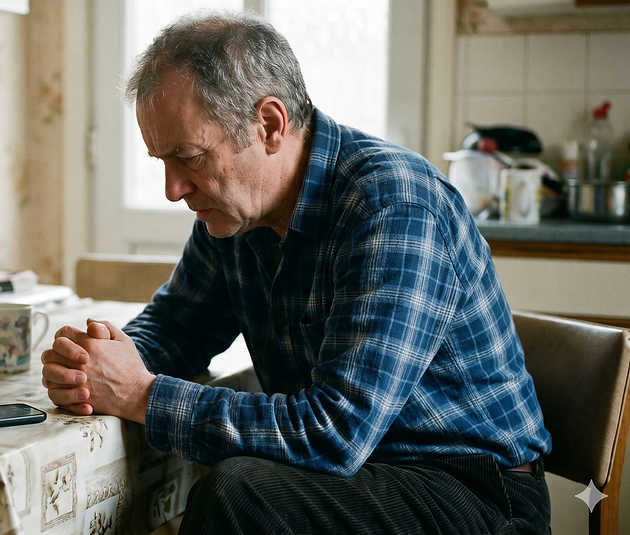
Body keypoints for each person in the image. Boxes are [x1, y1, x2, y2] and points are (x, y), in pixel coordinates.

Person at [41, 11, 551, 535]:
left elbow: (334, 433)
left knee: (237, 495)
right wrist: (95, 361)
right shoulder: (236, 213)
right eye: (161, 162)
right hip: (361, 474)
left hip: (474, 491)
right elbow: (178, 327)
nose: (174, 189)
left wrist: (142, 395)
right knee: (236, 486)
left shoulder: (394, 204)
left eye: (188, 157)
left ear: (269, 125)